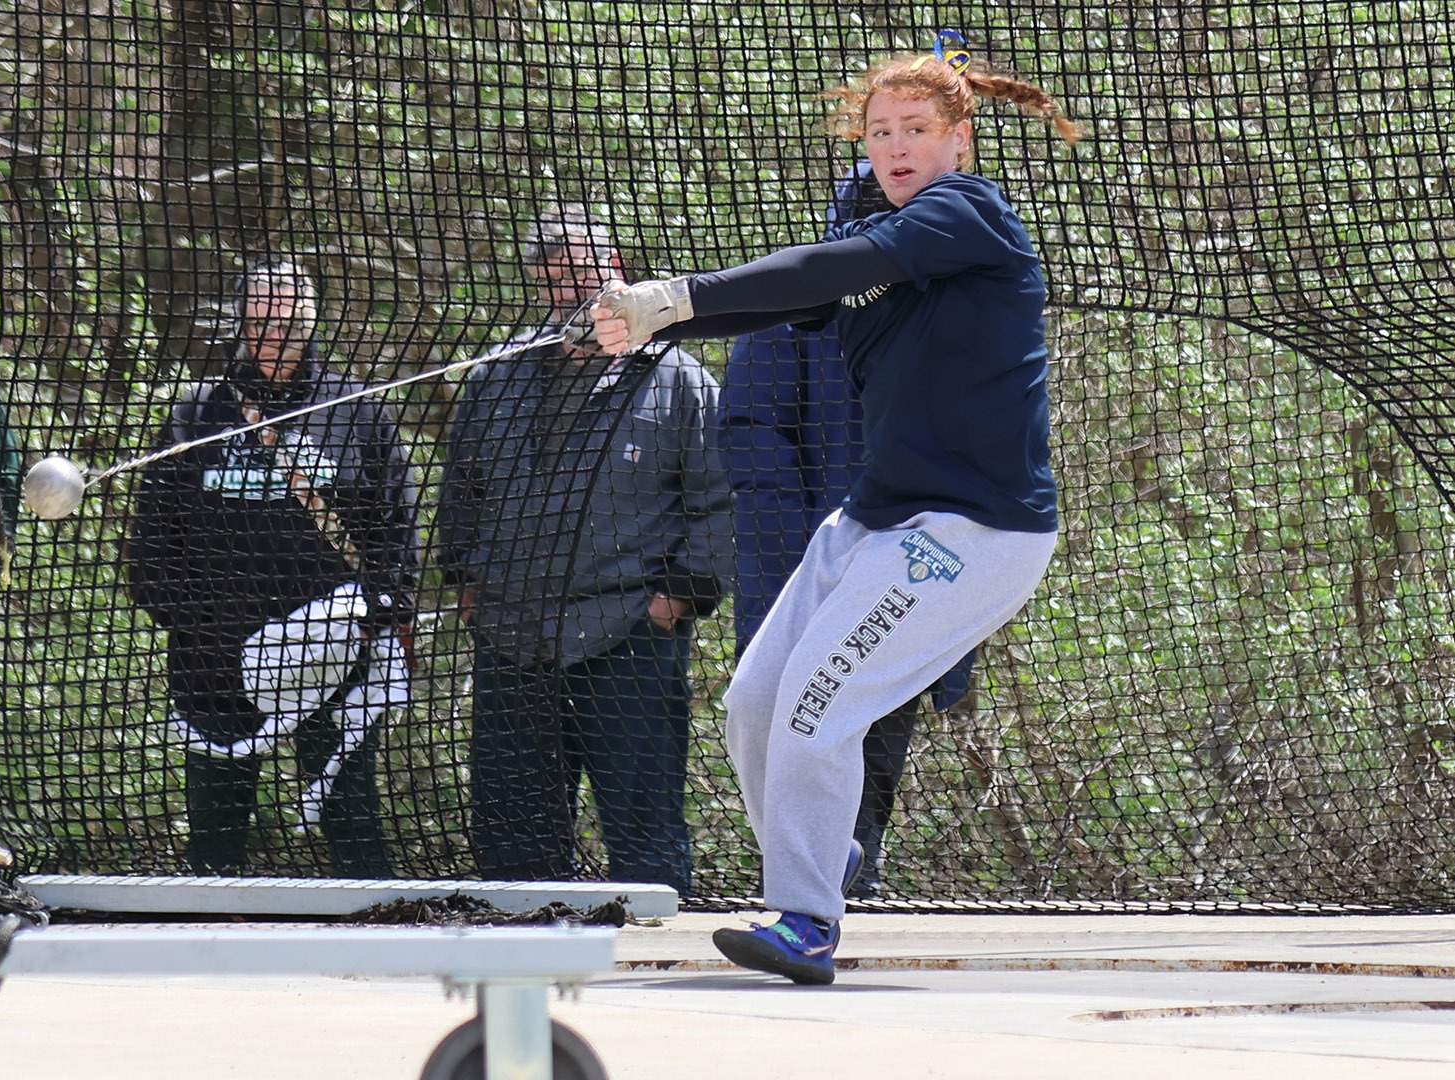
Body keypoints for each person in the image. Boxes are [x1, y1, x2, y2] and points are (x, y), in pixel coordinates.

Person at [593, 37, 1078, 982]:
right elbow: (796, 298)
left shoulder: (967, 214)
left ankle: (807, 918)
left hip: (975, 531)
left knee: (819, 711)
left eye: (917, 131)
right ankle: (830, 858)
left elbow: (823, 267)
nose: (897, 148)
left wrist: (677, 294)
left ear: (960, 140)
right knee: (755, 704)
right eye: (880, 132)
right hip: (873, 520)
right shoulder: (883, 245)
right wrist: (664, 317)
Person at [435, 204, 733, 894]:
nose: (571, 291)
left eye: (583, 273)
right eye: (553, 277)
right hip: (512, 636)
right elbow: (464, 488)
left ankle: (651, 967)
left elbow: (722, 500)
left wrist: (679, 596)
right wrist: (466, 580)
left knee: (644, 826)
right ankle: (522, 970)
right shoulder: (499, 376)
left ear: (617, 274)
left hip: (628, 632)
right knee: (511, 833)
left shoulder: (677, 379)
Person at [720, 158, 974, 901]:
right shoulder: (808, 299)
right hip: (820, 567)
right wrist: (813, 567)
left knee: (878, 723)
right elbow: (753, 433)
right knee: (798, 717)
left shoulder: (954, 311)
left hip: (914, 568)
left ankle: (851, 873)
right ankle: (814, 885)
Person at [125, 260, 418, 876]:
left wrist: (383, 610)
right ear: (239, 326)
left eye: (285, 325)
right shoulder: (196, 416)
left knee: (352, 819)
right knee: (216, 834)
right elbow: (154, 535)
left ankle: (380, 952)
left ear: (309, 326)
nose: (271, 338)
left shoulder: (355, 410)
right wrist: (188, 617)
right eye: (257, 324)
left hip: (329, 654)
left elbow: (393, 530)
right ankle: (207, 957)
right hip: (214, 661)